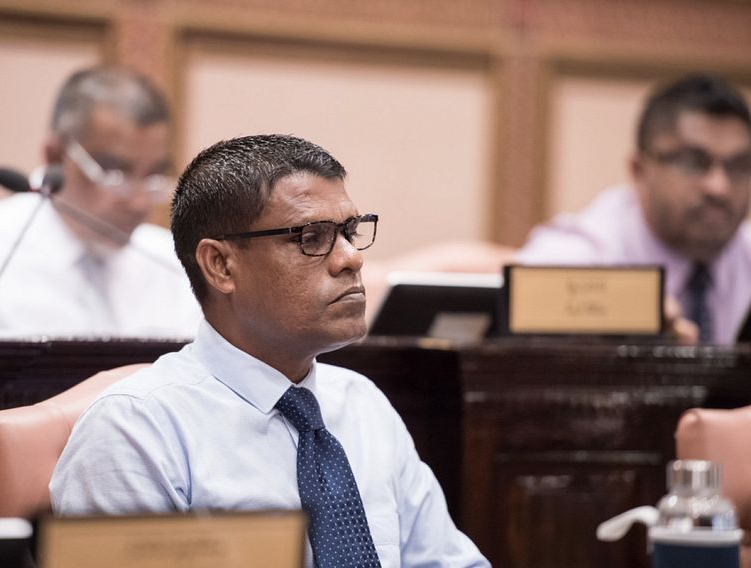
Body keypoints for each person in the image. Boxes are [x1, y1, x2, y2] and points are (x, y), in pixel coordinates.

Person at [50, 134, 490, 567]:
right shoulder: (137, 430)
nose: (351, 258)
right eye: (311, 237)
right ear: (221, 265)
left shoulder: (362, 403)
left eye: (350, 232)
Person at [0, 66, 201, 336]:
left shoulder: (176, 261)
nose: (139, 202)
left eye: (154, 176)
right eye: (115, 173)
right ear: (56, 156)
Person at [516, 73, 751, 345]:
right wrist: (614, 315)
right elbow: (526, 295)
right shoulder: (586, 251)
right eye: (693, 162)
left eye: (738, 166)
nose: (719, 187)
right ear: (639, 170)